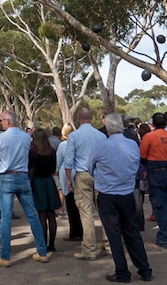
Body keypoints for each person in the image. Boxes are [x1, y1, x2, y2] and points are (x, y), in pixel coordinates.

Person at [89, 112, 153, 283]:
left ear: (107, 127)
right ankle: (144, 269)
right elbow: (135, 164)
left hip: (107, 195)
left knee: (114, 235)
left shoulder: (101, 146)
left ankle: (123, 272)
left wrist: (103, 177)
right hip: (126, 193)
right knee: (132, 232)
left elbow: (90, 167)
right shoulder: (132, 144)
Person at [0, 110, 50, 267]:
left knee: (6, 218)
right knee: (32, 215)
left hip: (7, 176)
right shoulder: (26, 136)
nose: (1, 123)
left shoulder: (0, 138)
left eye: (2, 120)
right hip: (23, 176)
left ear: (8, 121)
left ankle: (5, 256)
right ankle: (42, 251)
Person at [64, 106, 108, 261]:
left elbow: (68, 161)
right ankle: (109, 245)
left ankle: (89, 249)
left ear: (78, 119)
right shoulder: (101, 136)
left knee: (86, 213)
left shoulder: (74, 136)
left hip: (82, 175)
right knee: (104, 210)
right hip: (100, 175)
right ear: (92, 118)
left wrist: (68, 179)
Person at [139, 112, 167, 251]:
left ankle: (163, 239)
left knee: (160, 206)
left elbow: (143, 156)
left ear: (153, 124)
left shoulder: (149, 137)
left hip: (155, 172)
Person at [29, 128, 61, 252]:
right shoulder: (52, 152)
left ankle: (43, 244)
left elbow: (30, 168)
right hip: (49, 182)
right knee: (51, 215)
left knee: (42, 215)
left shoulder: (33, 153)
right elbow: (53, 168)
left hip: (38, 183)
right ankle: (52, 244)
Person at [57, 124, 83, 241]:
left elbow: (58, 161)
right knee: (79, 203)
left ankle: (75, 232)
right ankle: (81, 229)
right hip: (77, 172)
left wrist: (56, 171)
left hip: (66, 173)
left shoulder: (62, 145)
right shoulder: (77, 143)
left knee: (70, 201)